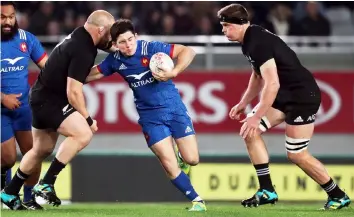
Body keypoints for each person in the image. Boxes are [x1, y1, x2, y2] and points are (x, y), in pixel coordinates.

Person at [218, 4, 351, 210]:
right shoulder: (250, 40)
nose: (224, 30)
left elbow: (272, 84)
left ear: (242, 24)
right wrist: (244, 103)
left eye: (227, 25)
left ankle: (338, 195)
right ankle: (267, 190)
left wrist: (256, 116)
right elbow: (258, 74)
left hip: (302, 97)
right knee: (249, 132)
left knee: (296, 154)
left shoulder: (257, 42)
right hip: (285, 94)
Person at [85, 19, 206, 212]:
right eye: (122, 42)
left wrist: (173, 71)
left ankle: (183, 158)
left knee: (192, 159)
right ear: (115, 44)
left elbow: (188, 51)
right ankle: (197, 201)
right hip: (150, 118)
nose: (128, 45)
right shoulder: (115, 61)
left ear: (136, 37)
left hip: (174, 109)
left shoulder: (151, 49)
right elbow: (90, 75)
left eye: (130, 39)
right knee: (168, 163)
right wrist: (67, 72)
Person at [1, 10, 115, 210]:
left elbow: (78, 74)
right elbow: (73, 92)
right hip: (50, 100)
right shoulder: (85, 49)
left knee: (41, 150)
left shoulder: (78, 36)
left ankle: (9, 192)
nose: (111, 39)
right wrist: (88, 119)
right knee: (83, 134)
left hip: (39, 96)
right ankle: (46, 183)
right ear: (101, 29)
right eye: (110, 34)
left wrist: (108, 67)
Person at [1, 1, 48, 210]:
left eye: (11, 17)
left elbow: (47, 67)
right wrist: (3, 98)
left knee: (34, 155)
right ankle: (7, 193)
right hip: (1, 111)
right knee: (8, 158)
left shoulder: (27, 39)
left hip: (24, 110)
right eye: (3, 17)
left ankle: (28, 198)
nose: (8, 22)